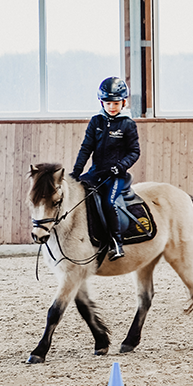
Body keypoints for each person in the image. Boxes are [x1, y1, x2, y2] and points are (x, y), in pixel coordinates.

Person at [72, 77, 141, 261]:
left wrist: (121, 166)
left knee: (109, 203)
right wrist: (76, 172)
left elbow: (134, 152)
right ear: (102, 102)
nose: (112, 107)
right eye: (108, 103)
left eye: (116, 103)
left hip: (116, 176)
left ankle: (116, 243)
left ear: (123, 102)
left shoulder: (128, 124)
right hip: (96, 173)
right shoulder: (96, 122)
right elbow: (86, 148)